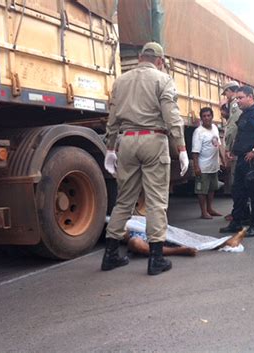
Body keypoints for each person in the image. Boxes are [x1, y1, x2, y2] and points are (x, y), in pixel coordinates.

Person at [101, 42, 189, 275]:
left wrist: (110, 149)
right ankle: (156, 259)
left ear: (140, 57)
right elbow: (172, 116)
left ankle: (109, 255)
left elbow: (112, 120)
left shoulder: (120, 81)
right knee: (156, 200)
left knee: (124, 200)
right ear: (160, 61)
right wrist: (181, 148)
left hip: (127, 140)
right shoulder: (163, 79)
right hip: (154, 139)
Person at [219, 86, 254, 237]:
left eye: (241, 98)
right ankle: (236, 222)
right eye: (237, 98)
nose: (238, 101)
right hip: (242, 158)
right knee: (238, 192)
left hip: (253, 160)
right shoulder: (245, 114)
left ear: (250, 97)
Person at [221, 81, 251, 224]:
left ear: (230, 91)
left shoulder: (234, 105)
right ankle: (242, 212)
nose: (225, 96)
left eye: (226, 93)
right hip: (243, 147)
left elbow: (233, 128)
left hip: (237, 148)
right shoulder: (240, 107)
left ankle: (239, 213)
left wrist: (228, 147)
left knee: (237, 184)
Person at [125, 227, 247, 257]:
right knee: (136, 243)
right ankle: (180, 250)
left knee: (184, 237)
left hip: (152, 227)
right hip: (140, 234)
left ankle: (225, 242)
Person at [192, 107, 223, 219]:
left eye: (208, 115)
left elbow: (218, 145)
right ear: (201, 118)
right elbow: (195, 152)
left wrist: (222, 159)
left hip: (214, 166)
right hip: (203, 166)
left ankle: (210, 208)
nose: (206, 118)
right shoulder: (198, 132)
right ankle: (203, 211)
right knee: (202, 190)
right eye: (204, 116)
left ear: (212, 116)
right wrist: (196, 167)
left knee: (212, 188)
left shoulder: (214, 128)